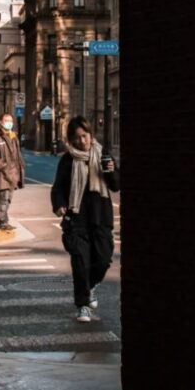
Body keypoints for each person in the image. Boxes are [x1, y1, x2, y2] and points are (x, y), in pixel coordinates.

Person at [51, 115, 120, 323]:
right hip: (77, 218)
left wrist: (111, 172)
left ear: (91, 134)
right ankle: (83, 305)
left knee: (103, 258)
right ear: (72, 140)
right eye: (77, 138)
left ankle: (90, 287)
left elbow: (116, 185)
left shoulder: (103, 155)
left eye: (85, 136)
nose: (82, 141)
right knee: (80, 261)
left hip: (101, 216)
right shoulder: (68, 160)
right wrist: (59, 204)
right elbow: (59, 186)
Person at [0, 112, 25, 231]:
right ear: (0, 122)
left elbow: (17, 155)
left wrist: (20, 167)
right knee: (3, 198)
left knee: (7, 199)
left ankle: (3, 220)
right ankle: (2, 222)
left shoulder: (13, 136)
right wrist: (3, 166)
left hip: (13, 173)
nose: (9, 123)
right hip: (2, 174)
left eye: (10, 121)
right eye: (6, 121)